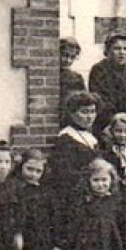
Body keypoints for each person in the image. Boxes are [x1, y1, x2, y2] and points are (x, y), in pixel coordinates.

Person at [48, 91, 103, 224]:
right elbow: (64, 173)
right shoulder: (66, 138)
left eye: (92, 111)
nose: (89, 117)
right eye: (84, 112)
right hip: (73, 197)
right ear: (72, 113)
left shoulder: (91, 138)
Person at [59, 37, 86, 109]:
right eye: (65, 55)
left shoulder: (77, 78)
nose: (68, 60)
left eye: (72, 57)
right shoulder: (49, 76)